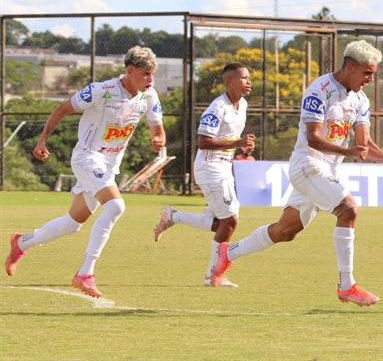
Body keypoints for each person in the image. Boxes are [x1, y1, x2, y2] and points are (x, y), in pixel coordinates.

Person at [211, 40, 383, 307]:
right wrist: (349, 152)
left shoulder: (360, 99)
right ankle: (347, 285)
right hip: (307, 164)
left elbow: (363, 142)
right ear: (350, 67)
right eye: (367, 73)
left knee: (285, 231)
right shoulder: (319, 91)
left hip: (327, 169)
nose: (371, 79)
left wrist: (381, 155)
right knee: (348, 209)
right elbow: (313, 139)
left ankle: (228, 253)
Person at [4, 46, 166, 298]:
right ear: (130, 71)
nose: (150, 80)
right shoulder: (101, 90)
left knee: (71, 224)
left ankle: (21, 242)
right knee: (116, 207)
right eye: (146, 74)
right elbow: (61, 110)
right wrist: (41, 141)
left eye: (152, 74)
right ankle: (85, 273)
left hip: (109, 166)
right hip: (87, 158)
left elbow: (158, 129)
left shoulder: (149, 96)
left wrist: (159, 140)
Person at [153, 62, 255, 288]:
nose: (249, 82)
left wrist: (242, 147)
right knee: (230, 221)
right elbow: (203, 141)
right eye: (244, 78)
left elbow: (228, 139)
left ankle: (173, 216)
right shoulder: (217, 107)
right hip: (210, 168)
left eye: (249, 78)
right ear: (230, 82)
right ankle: (212, 274)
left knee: (221, 222)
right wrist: (237, 142)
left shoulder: (243, 104)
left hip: (224, 167)